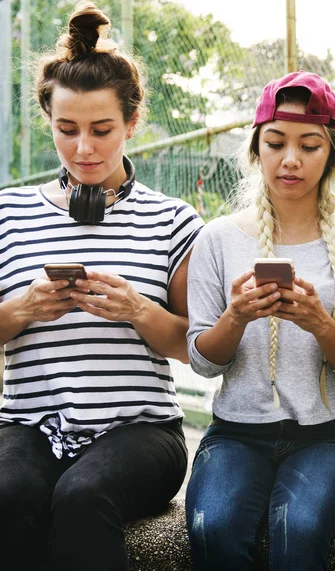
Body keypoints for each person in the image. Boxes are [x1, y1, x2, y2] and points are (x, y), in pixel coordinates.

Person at [0, 3, 202, 570]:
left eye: (101, 130)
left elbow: (197, 348)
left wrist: (139, 310)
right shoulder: (7, 214)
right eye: (67, 130)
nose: (83, 148)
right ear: (49, 120)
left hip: (142, 433)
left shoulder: (174, 221)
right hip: (28, 425)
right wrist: (22, 309)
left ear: (131, 124)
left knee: (83, 496)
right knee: (9, 495)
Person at [185, 70, 335, 570]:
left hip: (329, 436)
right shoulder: (217, 238)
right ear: (256, 150)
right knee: (213, 530)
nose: (290, 159)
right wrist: (234, 318)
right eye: (275, 143)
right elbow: (202, 363)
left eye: (310, 145)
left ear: (332, 156)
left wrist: (320, 323)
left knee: (298, 528)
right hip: (236, 432)